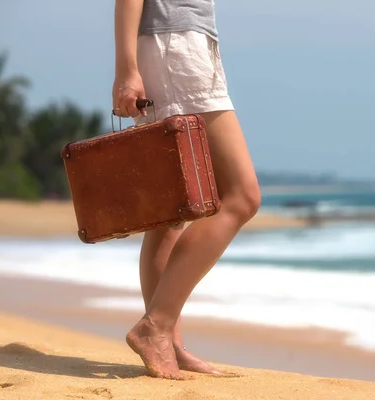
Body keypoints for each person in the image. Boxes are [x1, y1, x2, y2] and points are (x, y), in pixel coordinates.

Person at [111, 0, 261, 380]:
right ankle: (155, 326)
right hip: (176, 49)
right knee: (242, 197)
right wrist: (126, 69)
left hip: (183, 48)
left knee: (172, 212)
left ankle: (169, 345)